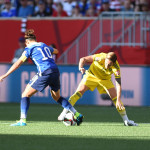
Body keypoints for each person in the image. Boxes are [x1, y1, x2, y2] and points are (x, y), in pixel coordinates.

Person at [0, 29, 83, 126]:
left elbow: (18, 63)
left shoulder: (29, 48)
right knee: (56, 97)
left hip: (45, 72)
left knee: (25, 94)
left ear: (27, 42)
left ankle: (22, 121)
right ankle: (76, 114)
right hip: (55, 71)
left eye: (26, 43)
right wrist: (48, 51)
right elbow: (56, 51)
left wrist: (5, 75)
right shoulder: (43, 45)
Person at [58, 52, 138, 126]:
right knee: (78, 93)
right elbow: (83, 59)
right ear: (105, 59)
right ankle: (64, 112)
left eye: (110, 65)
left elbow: (118, 84)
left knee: (116, 98)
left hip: (105, 80)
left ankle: (126, 121)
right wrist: (80, 67)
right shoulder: (100, 57)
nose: (107, 66)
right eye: (106, 63)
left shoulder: (116, 68)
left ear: (113, 63)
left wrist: (118, 99)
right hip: (91, 75)